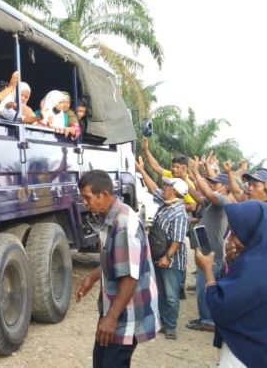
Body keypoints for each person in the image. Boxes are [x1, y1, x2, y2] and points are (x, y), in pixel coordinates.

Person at [196, 201, 267, 368]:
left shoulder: (256, 268)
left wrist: (207, 271)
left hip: (246, 354)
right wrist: (233, 264)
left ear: (255, 232)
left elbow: (221, 306)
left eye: (235, 233)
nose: (229, 239)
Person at [75, 170, 159, 367]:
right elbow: (115, 260)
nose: (84, 203)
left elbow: (130, 276)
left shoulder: (124, 224)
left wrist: (111, 318)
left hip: (126, 314)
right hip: (116, 310)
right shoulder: (110, 218)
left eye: (87, 197)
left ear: (103, 195)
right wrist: (93, 277)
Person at [136, 157, 188, 340]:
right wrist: (142, 170)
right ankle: (163, 323)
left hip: (171, 261)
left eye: (166, 187)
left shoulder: (179, 212)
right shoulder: (167, 205)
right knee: (161, 292)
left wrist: (167, 257)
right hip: (160, 257)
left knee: (171, 295)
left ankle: (171, 327)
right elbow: (152, 188)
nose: (163, 188)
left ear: (173, 191)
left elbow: (178, 240)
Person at [185, 160, 232, 333]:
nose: (212, 185)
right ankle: (206, 317)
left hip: (212, 252)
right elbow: (198, 196)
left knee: (204, 287)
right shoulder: (216, 200)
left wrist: (196, 174)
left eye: (215, 183)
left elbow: (207, 194)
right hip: (207, 248)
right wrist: (186, 180)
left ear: (225, 186)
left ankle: (208, 320)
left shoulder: (222, 199)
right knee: (203, 286)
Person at [141, 137, 197, 213]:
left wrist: (172, 208)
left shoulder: (188, 185)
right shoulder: (171, 175)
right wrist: (146, 150)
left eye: (178, 167)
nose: (174, 169)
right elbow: (156, 167)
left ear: (185, 168)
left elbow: (192, 206)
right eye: (173, 166)